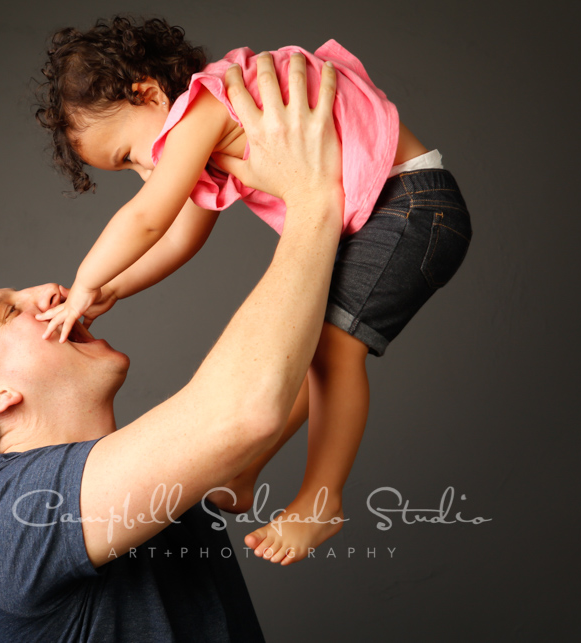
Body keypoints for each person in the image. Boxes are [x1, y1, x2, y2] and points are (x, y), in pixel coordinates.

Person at [0, 54, 341, 641]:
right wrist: (314, 199)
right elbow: (246, 412)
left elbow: (312, 357)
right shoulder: (1, 520)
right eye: (11, 310)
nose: (46, 292)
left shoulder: (158, 490)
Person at [33, 16, 473, 564]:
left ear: (146, 93)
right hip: (400, 211)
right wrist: (114, 288)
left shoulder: (206, 107)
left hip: (412, 203)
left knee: (334, 349)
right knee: (310, 341)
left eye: (128, 155)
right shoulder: (210, 124)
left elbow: (149, 219)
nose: (142, 171)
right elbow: (177, 239)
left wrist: (83, 283)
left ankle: (321, 499)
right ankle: (245, 469)